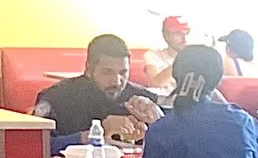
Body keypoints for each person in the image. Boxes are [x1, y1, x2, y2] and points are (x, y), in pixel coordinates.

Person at [33, 34, 162, 147]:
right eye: (107, 72)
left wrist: (154, 127)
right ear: (89, 69)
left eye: (123, 73)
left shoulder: (142, 99)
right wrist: (96, 133)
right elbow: (39, 145)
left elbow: (174, 145)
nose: (116, 81)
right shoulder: (57, 97)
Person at [143, 15, 192, 97]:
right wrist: (182, 58)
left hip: (187, 102)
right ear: (166, 36)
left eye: (187, 33)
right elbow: (156, 83)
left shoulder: (195, 56)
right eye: (179, 34)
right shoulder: (153, 55)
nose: (185, 39)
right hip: (162, 103)